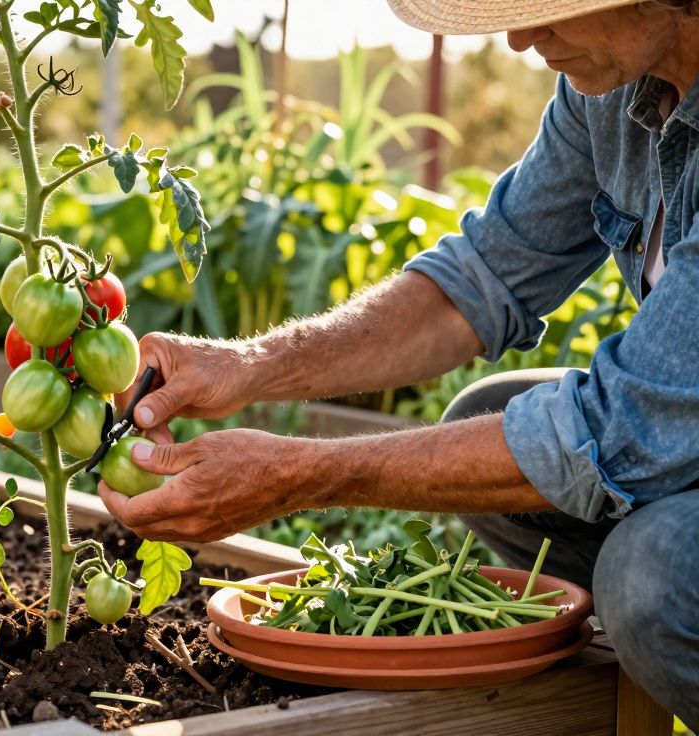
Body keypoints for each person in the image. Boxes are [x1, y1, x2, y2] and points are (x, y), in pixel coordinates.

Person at [96, 0, 699, 722]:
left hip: (652, 437)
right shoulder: (612, 92)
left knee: (649, 576)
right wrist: (251, 362)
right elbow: (478, 281)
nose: (518, 36)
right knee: (486, 421)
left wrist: (296, 475)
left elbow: (617, 428)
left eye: (552, 5)